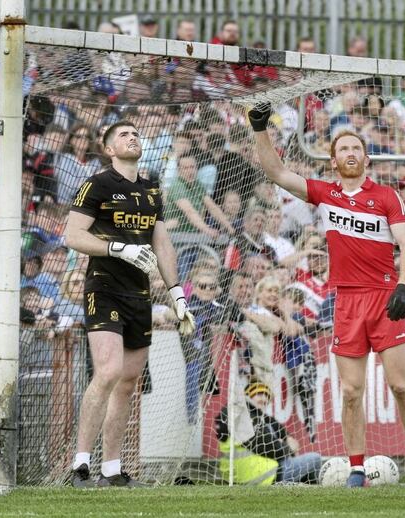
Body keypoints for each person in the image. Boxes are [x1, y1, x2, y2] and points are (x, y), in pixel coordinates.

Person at [249, 103, 405, 488]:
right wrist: (259, 128)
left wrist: (404, 284)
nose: (350, 154)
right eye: (343, 149)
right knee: (351, 392)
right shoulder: (326, 193)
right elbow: (277, 171)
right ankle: (354, 469)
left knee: (401, 386)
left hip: (385, 298)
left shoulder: (385, 196)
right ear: (333, 161)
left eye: (356, 148)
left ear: (366, 157)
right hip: (347, 301)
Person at [65, 120, 194, 488]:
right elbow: (72, 235)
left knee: (128, 381)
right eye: (123, 134)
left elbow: (163, 244)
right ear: (109, 148)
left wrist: (177, 294)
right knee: (107, 372)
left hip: (139, 293)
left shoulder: (151, 188)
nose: (132, 137)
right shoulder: (98, 183)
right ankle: (80, 464)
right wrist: (117, 247)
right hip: (104, 286)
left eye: (136, 133)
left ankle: (111, 469)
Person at [215, 380, 322, 485]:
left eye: (266, 395)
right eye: (259, 394)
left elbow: (272, 423)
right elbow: (265, 446)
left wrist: (286, 437)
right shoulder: (244, 416)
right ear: (247, 396)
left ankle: (303, 487)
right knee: (315, 459)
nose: (264, 398)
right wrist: (289, 449)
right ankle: (311, 489)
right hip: (261, 474)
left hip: (253, 472)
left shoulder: (246, 414)